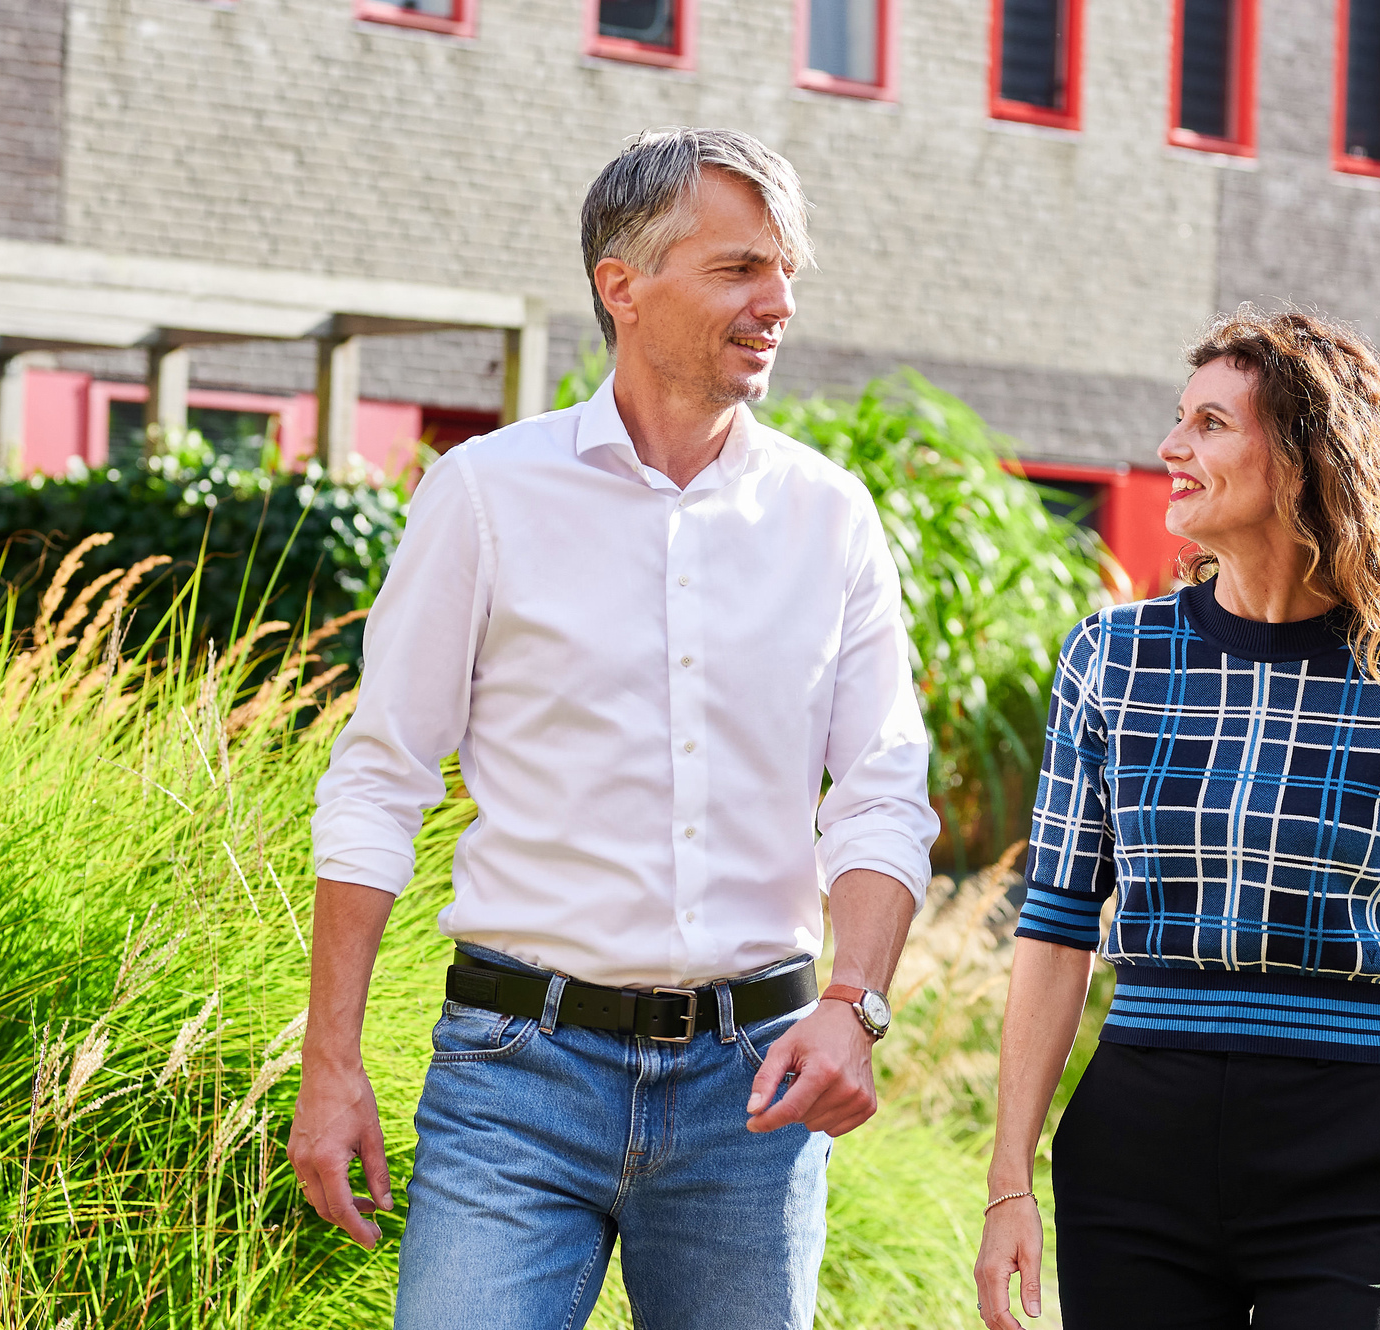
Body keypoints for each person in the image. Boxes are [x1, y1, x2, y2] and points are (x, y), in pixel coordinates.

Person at [287, 127, 938, 1330]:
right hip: (515, 1079)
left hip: (758, 1086)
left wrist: (855, 1000)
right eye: (740, 267)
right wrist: (331, 1063)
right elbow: (378, 778)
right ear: (621, 284)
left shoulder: (828, 517)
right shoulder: (485, 495)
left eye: (786, 269)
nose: (779, 301)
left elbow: (886, 786)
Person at [970, 310, 1380, 1330]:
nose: (1171, 449)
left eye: (1211, 424)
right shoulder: (1112, 658)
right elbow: (1052, 928)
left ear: (1309, 458)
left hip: (1348, 1169)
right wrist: (1012, 1182)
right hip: (1135, 1163)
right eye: (1179, 420)